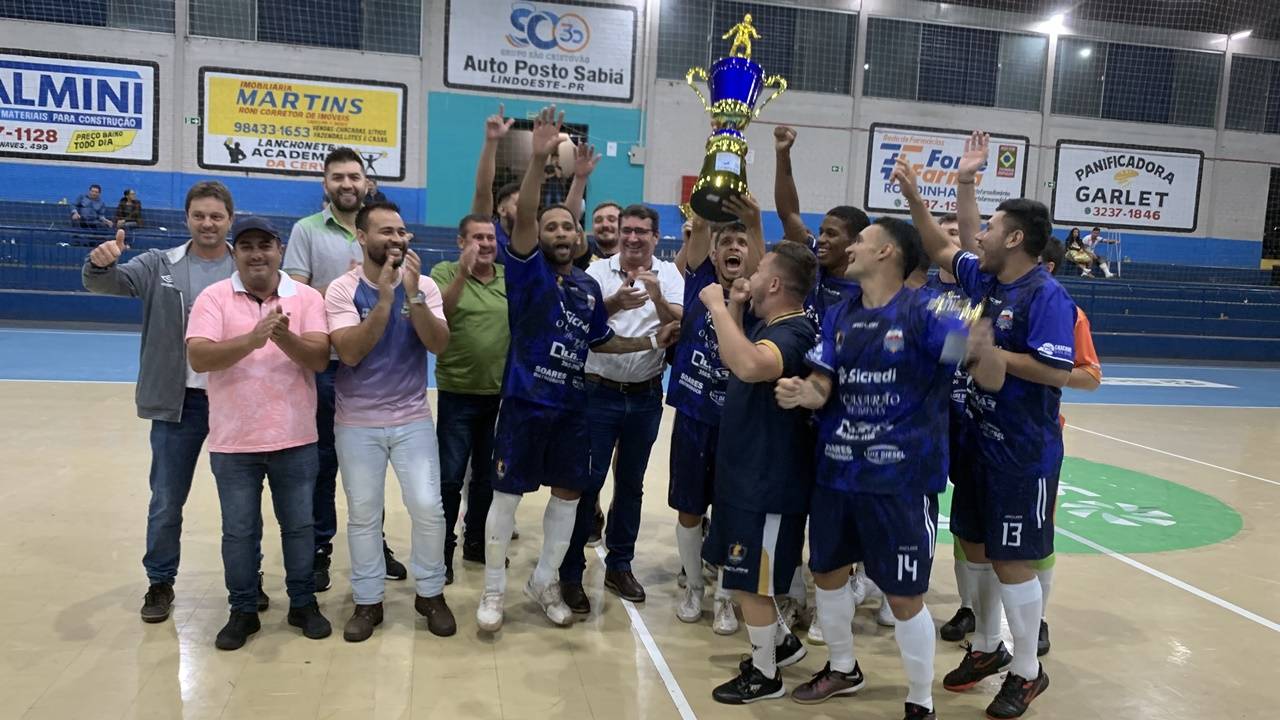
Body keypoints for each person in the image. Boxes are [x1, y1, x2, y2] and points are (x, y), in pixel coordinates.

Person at [775, 218, 1005, 720]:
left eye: (861, 240)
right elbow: (821, 384)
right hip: (837, 475)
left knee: (904, 596)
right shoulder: (839, 314)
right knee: (828, 573)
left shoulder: (928, 312)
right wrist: (801, 394)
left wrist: (981, 348)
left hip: (900, 482)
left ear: (888, 254)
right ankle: (842, 668)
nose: (851, 247)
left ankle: (919, 700)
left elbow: (984, 374)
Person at [476, 106, 678, 632]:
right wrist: (540, 156)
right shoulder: (526, 271)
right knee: (506, 498)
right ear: (536, 236)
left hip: (573, 409)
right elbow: (527, 217)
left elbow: (601, 340)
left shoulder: (588, 285)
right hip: (525, 405)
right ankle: (493, 591)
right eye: (551, 226)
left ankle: (543, 580)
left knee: (570, 498)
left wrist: (653, 337)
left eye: (570, 225)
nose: (562, 231)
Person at [896, 155, 1074, 719]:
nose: (979, 235)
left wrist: (989, 352)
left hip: (1022, 449)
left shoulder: (1046, 297)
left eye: (991, 228)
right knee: (974, 545)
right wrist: (917, 196)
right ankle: (987, 647)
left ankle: (1027, 671)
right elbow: (942, 245)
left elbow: (1058, 372)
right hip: (976, 439)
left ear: (1016, 237)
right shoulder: (989, 279)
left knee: (1012, 558)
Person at [83, 181, 255, 623]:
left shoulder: (250, 268)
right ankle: (160, 582)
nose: (208, 223)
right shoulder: (160, 264)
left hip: (234, 402)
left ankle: (246, 583)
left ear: (230, 220)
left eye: (216, 216)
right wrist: (98, 264)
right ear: (187, 219)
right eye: (199, 215)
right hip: (178, 404)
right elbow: (108, 284)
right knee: (166, 500)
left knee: (241, 501)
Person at [186, 217, 333, 651]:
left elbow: (321, 359)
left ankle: (302, 602)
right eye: (246, 246)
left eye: (264, 246)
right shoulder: (214, 297)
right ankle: (243, 609)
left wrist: (284, 338)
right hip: (234, 442)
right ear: (235, 253)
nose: (256, 254)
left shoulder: (304, 298)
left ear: (280, 250)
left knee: (300, 527)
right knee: (239, 531)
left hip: (295, 438)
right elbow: (199, 356)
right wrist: (251, 340)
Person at [326, 201, 455, 641]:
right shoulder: (342, 290)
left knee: (427, 508)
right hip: (357, 422)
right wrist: (384, 300)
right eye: (385, 232)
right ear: (362, 238)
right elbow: (350, 352)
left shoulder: (425, 285)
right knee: (364, 514)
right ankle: (368, 601)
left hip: (412, 418)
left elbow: (438, 345)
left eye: (401, 231)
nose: (397, 239)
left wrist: (413, 295)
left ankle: (431, 594)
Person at [284, 147, 406, 590]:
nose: (347, 184)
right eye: (338, 178)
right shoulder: (307, 231)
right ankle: (320, 549)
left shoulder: (385, 232)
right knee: (321, 465)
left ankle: (375, 541)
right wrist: (346, 287)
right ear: (326, 184)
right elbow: (294, 295)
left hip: (378, 366)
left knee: (371, 464)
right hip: (328, 366)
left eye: (354, 177)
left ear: (366, 183)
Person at [701, 241, 817, 704]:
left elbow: (749, 365)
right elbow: (738, 351)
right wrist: (731, 304)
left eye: (760, 268)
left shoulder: (793, 332)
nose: (749, 276)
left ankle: (766, 675)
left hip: (768, 483)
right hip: (747, 475)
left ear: (774, 283)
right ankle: (781, 643)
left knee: (754, 580)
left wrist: (714, 304)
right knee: (742, 574)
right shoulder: (772, 325)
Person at [556, 202, 685, 614]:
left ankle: (620, 565)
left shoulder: (668, 275)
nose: (632, 238)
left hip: (646, 396)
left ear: (655, 237)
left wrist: (657, 297)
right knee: (586, 483)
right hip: (597, 392)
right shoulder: (596, 272)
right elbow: (584, 320)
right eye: (626, 230)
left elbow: (678, 323)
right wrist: (616, 302)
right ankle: (571, 573)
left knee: (631, 485)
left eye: (641, 232)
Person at [666, 196, 764, 635]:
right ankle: (693, 587)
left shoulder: (761, 296)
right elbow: (701, 233)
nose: (734, 247)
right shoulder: (700, 281)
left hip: (739, 425)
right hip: (692, 412)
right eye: (727, 240)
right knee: (688, 509)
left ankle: (725, 595)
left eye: (741, 242)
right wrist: (709, 194)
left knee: (730, 512)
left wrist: (754, 223)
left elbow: (760, 254)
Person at [431, 214, 508, 582]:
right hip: (457, 392)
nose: (486, 244)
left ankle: (475, 541)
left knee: (487, 477)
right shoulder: (444, 272)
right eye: (477, 238)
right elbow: (439, 313)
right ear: (461, 242)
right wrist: (462, 273)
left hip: (499, 394)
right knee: (449, 478)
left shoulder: (508, 278)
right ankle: (442, 551)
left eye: (491, 238)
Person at [773, 125, 871, 325]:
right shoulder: (813, 260)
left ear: (855, 242)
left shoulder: (869, 290)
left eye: (832, 234)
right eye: (822, 232)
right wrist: (783, 154)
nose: (822, 239)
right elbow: (789, 214)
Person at [471, 103, 519, 251]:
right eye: (519, 205)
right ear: (502, 209)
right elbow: (483, 191)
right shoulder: (487, 233)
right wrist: (491, 142)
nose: (526, 211)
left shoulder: (534, 240)